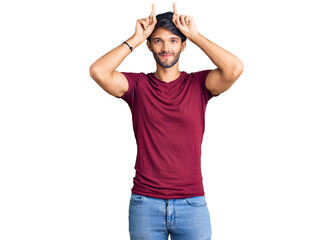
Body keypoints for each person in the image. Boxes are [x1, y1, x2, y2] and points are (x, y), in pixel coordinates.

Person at [89, 3, 243, 240]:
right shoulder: (138, 86)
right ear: (150, 46)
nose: (165, 48)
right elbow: (98, 71)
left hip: (191, 204)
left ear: (183, 45)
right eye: (158, 41)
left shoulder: (199, 85)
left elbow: (234, 68)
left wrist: (195, 35)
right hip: (145, 204)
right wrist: (137, 37)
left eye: (173, 41)